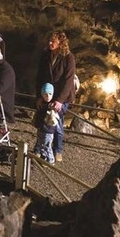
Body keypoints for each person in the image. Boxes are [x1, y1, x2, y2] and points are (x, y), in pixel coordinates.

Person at [35, 30, 76, 162]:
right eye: (50, 40)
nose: (50, 43)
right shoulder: (46, 55)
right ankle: (40, 148)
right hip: (47, 93)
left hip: (60, 95)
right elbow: (39, 77)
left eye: (53, 41)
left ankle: (57, 149)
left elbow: (68, 81)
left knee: (57, 122)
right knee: (43, 121)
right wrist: (39, 96)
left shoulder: (68, 58)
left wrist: (59, 100)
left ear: (61, 43)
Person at [33, 83, 60, 164]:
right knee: (41, 142)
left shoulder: (52, 105)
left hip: (48, 130)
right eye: (45, 94)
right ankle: (41, 155)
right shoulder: (41, 104)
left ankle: (50, 159)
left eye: (50, 94)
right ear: (42, 95)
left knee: (47, 145)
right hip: (41, 127)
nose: (48, 96)